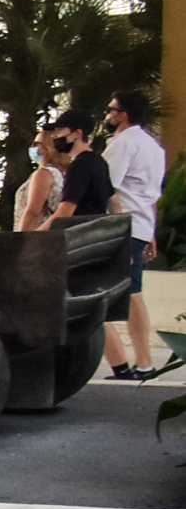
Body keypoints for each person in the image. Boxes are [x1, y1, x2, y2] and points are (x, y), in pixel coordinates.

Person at [101, 88, 168, 382]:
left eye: (110, 109)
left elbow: (109, 188)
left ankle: (143, 364)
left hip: (122, 226)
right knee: (133, 291)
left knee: (133, 293)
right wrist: (150, 231)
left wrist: (114, 228)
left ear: (122, 115)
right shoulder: (154, 147)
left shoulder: (122, 144)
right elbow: (151, 195)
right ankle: (141, 363)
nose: (107, 114)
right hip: (140, 225)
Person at [14, 124, 66, 233]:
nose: (33, 149)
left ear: (47, 148)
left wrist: (20, 240)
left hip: (36, 236)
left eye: (36, 144)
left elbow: (32, 211)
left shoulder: (44, 174)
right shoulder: (63, 174)